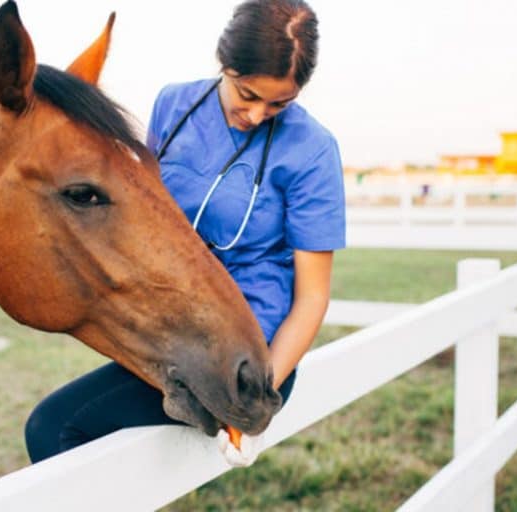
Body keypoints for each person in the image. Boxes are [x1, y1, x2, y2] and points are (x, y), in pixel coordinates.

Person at [24, 0, 345, 467]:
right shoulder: (174, 104)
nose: (257, 115)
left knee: (53, 427)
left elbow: (312, 298)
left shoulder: (313, 150)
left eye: (279, 104)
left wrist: (256, 394)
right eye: (248, 94)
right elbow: (147, 214)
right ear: (224, 65)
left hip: (249, 350)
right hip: (176, 330)